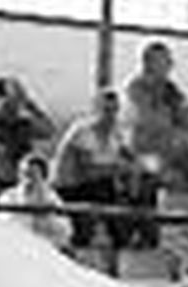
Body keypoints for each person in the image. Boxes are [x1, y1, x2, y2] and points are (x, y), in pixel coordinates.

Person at [122, 39, 188, 214]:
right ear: (149, 63)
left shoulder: (170, 89)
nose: (170, 64)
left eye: (169, 60)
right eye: (164, 60)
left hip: (173, 147)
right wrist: (176, 128)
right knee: (158, 170)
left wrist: (184, 126)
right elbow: (149, 120)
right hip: (144, 149)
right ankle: (144, 214)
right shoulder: (136, 88)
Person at [52, 87, 154, 251]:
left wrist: (140, 167)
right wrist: (121, 168)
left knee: (147, 183)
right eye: (106, 110)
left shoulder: (115, 133)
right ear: (95, 110)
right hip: (71, 188)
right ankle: (119, 237)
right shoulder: (83, 131)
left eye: (114, 110)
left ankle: (145, 237)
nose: (111, 115)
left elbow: (130, 157)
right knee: (107, 188)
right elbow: (88, 171)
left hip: (96, 184)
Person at [0, 75, 55, 199]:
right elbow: (5, 173)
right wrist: (33, 176)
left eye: (16, 104)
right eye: (8, 105)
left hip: (22, 189)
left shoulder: (20, 124)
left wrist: (31, 107)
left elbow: (49, 131)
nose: (13, 109)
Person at [0, 151, 72, 249]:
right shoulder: (9, 197)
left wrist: (46, 218)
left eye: (35, 174)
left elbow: (65, 232)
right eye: (27, 173)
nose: (30, 179)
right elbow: (1, 224)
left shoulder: (52, 199)